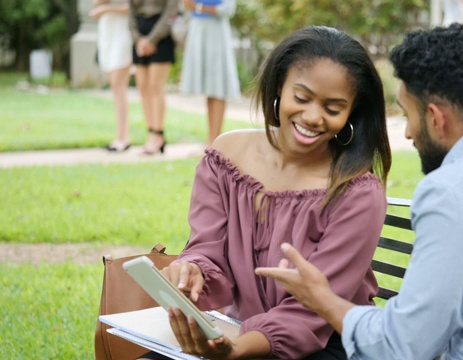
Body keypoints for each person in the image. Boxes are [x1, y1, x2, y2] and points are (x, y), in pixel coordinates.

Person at [256, 23, 463, 359]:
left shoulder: (453, 193)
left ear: (435, 118)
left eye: (407, 115)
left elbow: (402, 346)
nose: (407, 134)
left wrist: (320, 298)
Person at [140, 26, 392, 359]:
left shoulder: (357, 192)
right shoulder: (226, 156)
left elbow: (313, 312)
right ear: (278, 88)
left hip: (322, 343)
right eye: (301, 98)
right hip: (236, 331)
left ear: (351, 113)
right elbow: (207, 248)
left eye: (333, 109)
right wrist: (193, 271)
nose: (313, 117)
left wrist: (235, 351)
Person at [179, 0, 241, 145]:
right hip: (198, 32)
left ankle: (215, 141)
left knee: (217, 87)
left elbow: (227, 10)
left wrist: (198, 7)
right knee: (209, 89)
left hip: (216, 34)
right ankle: (211, 140)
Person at [129, 0, 178, 154]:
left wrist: (151, 40)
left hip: (161, 36)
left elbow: (171, 12)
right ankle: (150, 132)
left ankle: (157, 134)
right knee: (143, 87)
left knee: (155, 87)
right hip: (139, 35)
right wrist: (138, 40)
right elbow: (130, 14)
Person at [89, 0, 132, 152]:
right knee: (115, 87)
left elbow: (131, 8)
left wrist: (106, 8)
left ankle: (124, 137)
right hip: (107, 30)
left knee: (118, 84)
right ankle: (120, 135)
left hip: (122, 30)